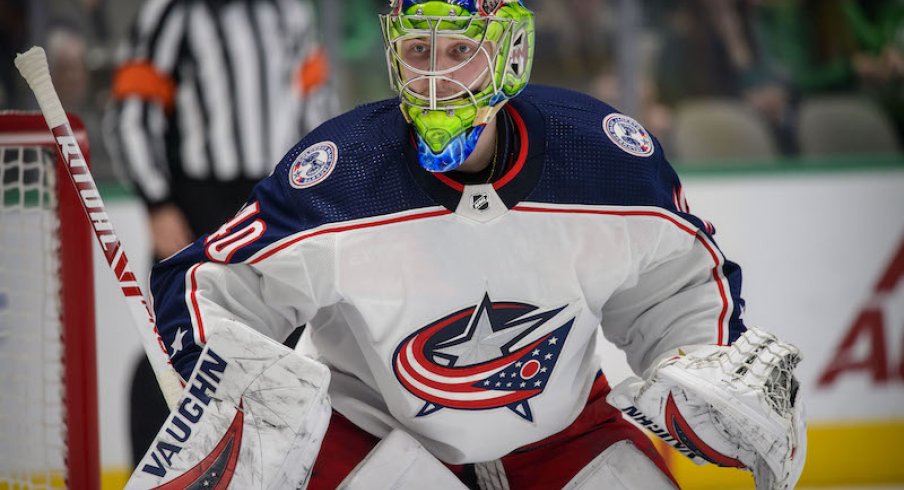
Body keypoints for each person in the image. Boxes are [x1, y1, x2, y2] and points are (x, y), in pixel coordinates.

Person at [148, 1, 806, 488]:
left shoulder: (603, 159)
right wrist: (228, 386)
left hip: (560, 436)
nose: (435, 78)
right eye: (419, 51)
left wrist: (695, 367)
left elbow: (676, 286)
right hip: (374, 439)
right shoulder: (339, 176)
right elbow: (210, 286)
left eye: (460, 49)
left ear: (510, 53)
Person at [104, 0, 337, 467]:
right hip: (198, 205)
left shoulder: (290, 11)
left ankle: (270, 470)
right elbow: (132, 111)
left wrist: (320, 195)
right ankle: (169, 469)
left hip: (277, 200)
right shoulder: (173, 13)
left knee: (286, 344)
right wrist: (158, 201)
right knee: (185, 346)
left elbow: (316, 104)